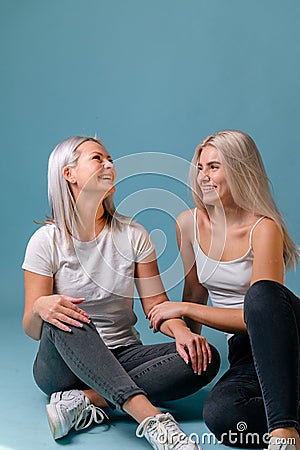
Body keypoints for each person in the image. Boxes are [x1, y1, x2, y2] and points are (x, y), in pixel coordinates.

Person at [22, 135, 220, 450]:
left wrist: (182, 332)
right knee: (70, 314)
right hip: (61, 367)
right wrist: (40, 307)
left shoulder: (134, 235)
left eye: (110, 158)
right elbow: (33, 330)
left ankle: (87, 400)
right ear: (68, 174)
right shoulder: (46, 241)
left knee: (203, 358)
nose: (109, 164)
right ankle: (153, 420)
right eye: (97, 158)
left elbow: (156, 306)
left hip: (122, 355)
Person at [148, 130, 299, 450]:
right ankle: (287, 414)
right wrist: (186, 340)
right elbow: (194, 292)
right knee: (222, 416)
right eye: (200, 168)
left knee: (261, 294)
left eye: (214, 167)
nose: (203, 176)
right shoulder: (188, 224)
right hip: (246, 353)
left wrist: (186, 310)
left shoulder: (263, 228)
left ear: (241, 169)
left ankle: (285, 433)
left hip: (289, 339)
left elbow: (260, 317)